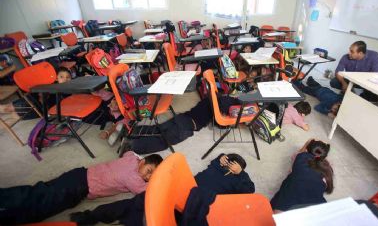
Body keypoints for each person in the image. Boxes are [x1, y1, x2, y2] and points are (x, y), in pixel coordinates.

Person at [70, 153, 254, 225]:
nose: (230, 164)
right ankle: (92, 216)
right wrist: (221, 157)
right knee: (138, 201)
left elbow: (250, 190)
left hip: (196, 200)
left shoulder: (239, 180)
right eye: (230, 160)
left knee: (166, 216)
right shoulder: (216, 165)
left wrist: (241, 173)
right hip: (182, 188)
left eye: (236, 163)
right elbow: (216, 160)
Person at [0, 152, 163, 224]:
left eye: (151, 176)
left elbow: (129, 152)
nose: (148, 178)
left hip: (77, 175)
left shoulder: (132, 159)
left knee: (40, 193)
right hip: (78, 188)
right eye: (149, 172)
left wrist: (143, 163)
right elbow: (146, 193)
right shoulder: (133, 178)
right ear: (142, 163)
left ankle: (9, 212)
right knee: (40, 205)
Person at [126, 96, 241, 155]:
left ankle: (133, 131)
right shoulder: (216, 112)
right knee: (163, 141)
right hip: (186, 127)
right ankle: (132, 146)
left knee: (159, 128)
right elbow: (219, 124)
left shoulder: (210, 98)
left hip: (181, 117)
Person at [270, 139, 334, 212]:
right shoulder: (327, 169)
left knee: (290, 178)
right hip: (315, 208)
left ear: (307, 149)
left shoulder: (300, 158)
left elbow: (300, 152)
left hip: (285, 206)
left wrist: (309, 142)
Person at [0, 67, 72, 120]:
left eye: (68, 77)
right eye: (61, 77)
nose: (65, 79)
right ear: (56, 78)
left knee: (14, 116)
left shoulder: (69, 90)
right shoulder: (51, 85)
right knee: (8, 108)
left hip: (40, 109)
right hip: (33, 100)